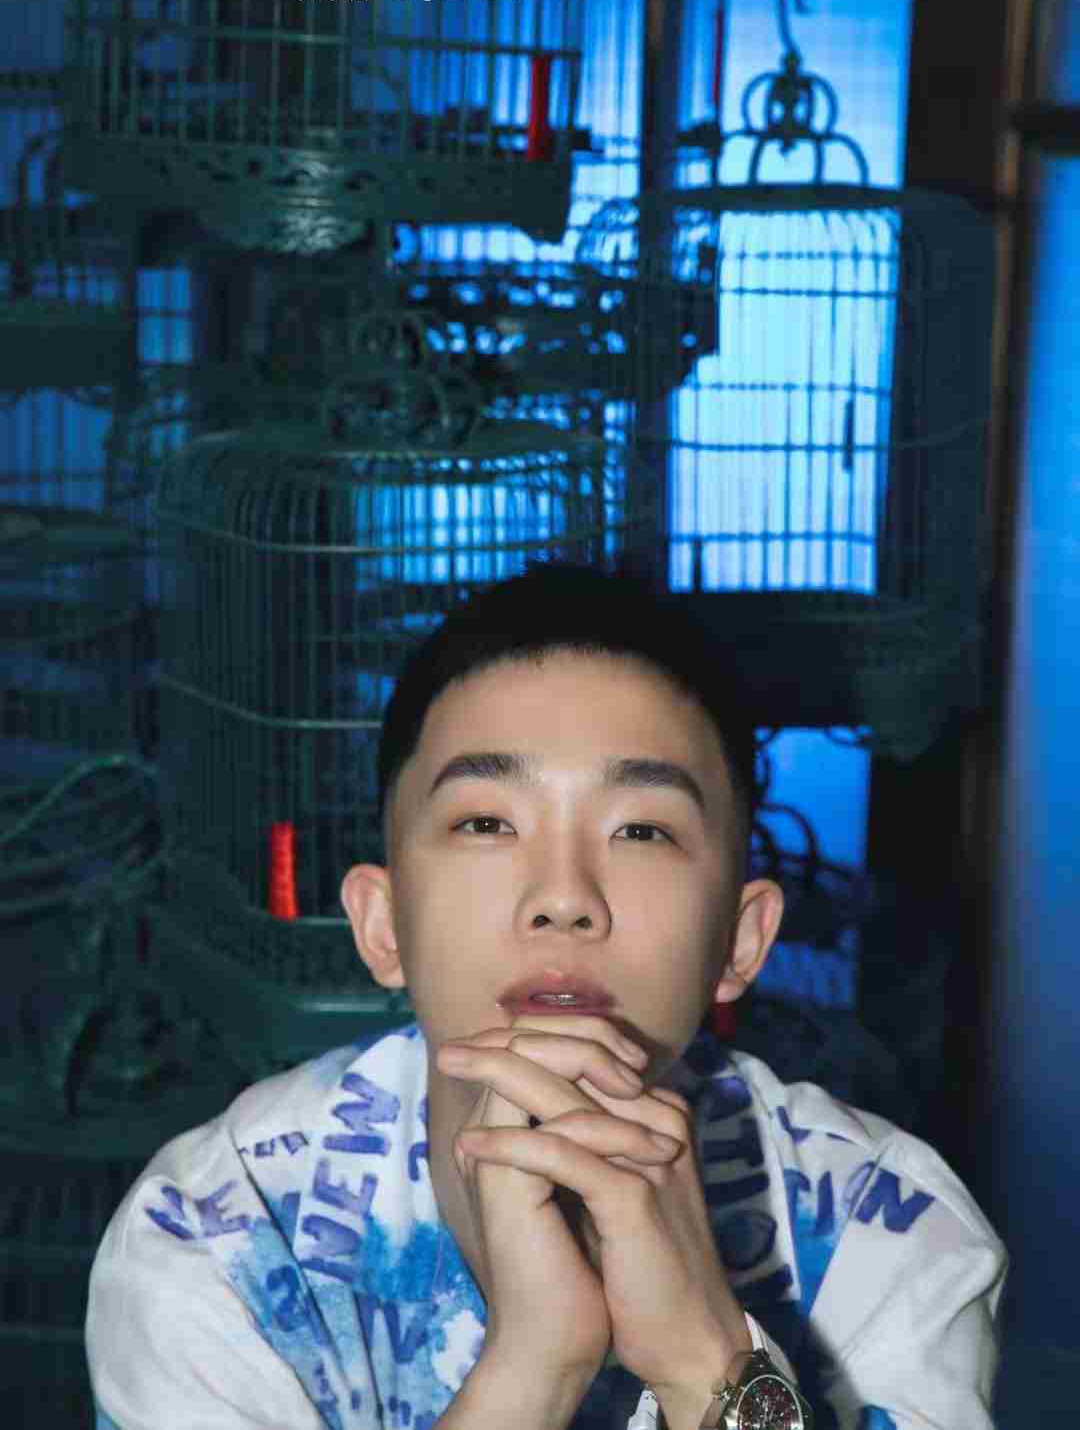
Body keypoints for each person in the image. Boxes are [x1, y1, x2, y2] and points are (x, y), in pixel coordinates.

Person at [86, 563, 1006, 1430]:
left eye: (641, 830)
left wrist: (707, 1358)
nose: (564, 897)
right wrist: (533, 1368)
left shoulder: (885, 1237)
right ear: (382, 925)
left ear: (740, 940)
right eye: (487, 822)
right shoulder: (217, 1243)